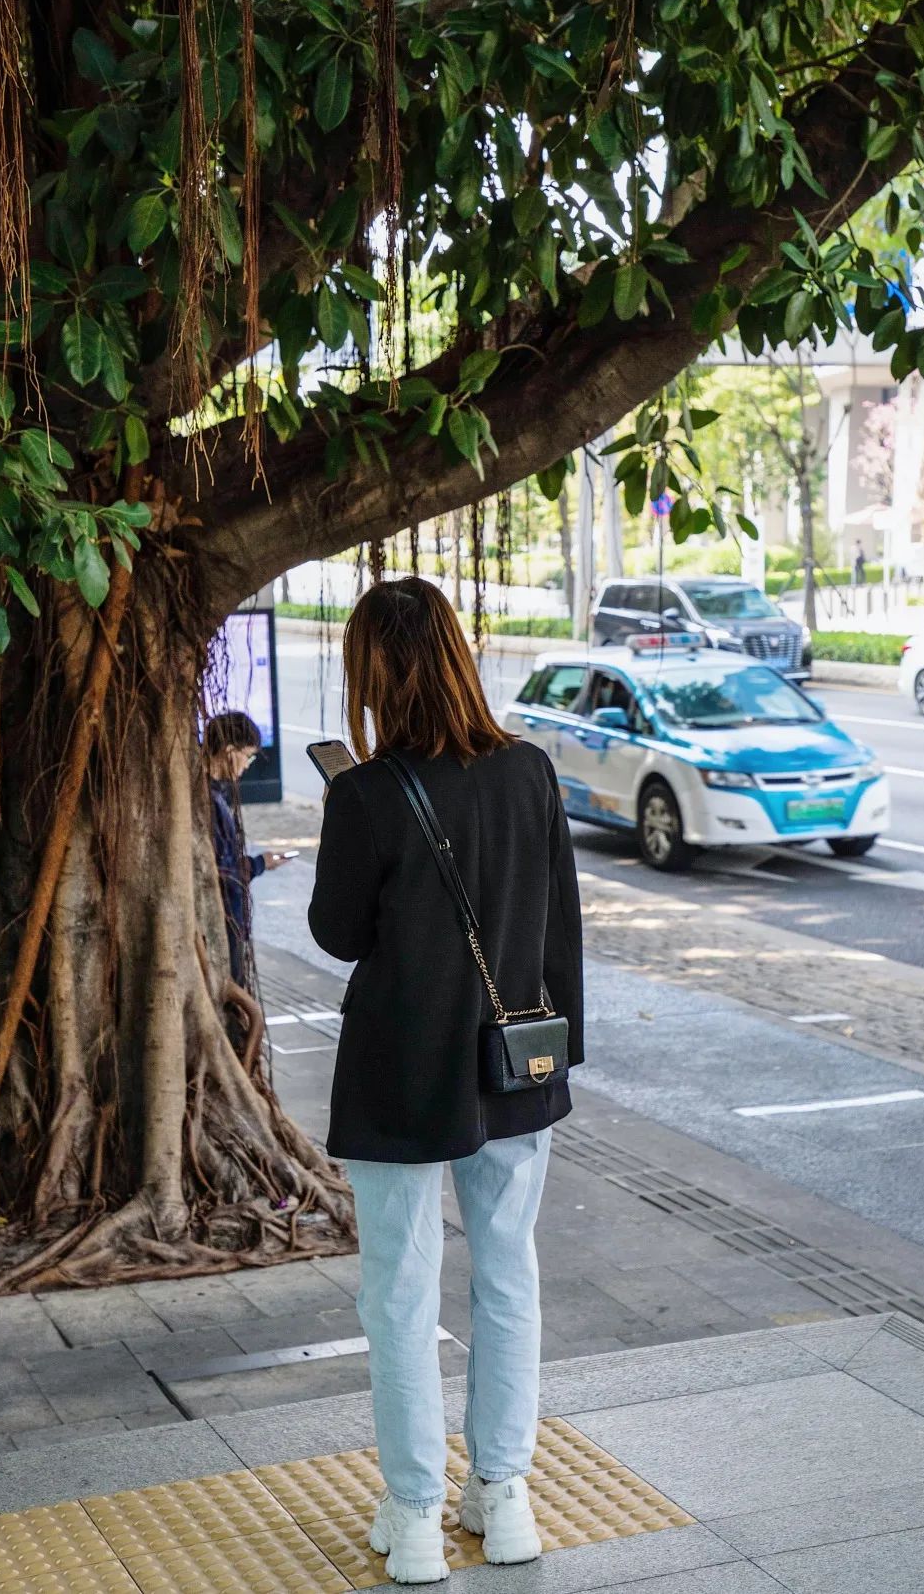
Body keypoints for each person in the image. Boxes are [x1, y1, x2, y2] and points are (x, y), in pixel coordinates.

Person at [309, 578, 583, 1586]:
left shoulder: (367, 794)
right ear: (459, 657)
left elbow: (339, 933)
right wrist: (555, 1058)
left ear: (372, 674)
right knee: (509, 1277)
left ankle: (417, 1514)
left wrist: (352, 820)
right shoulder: (529, 770)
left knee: (398, 1292)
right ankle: (503, 1497)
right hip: (514, 1065)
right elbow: (559, 924)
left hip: (399, 1074)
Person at [205, 711, 290, 987]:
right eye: (248, 756)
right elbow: (222, 873)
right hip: (222, 922)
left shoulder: (212, 795)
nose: (247, 766)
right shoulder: (208, 802)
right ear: (230, 752)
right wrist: (259, 864)